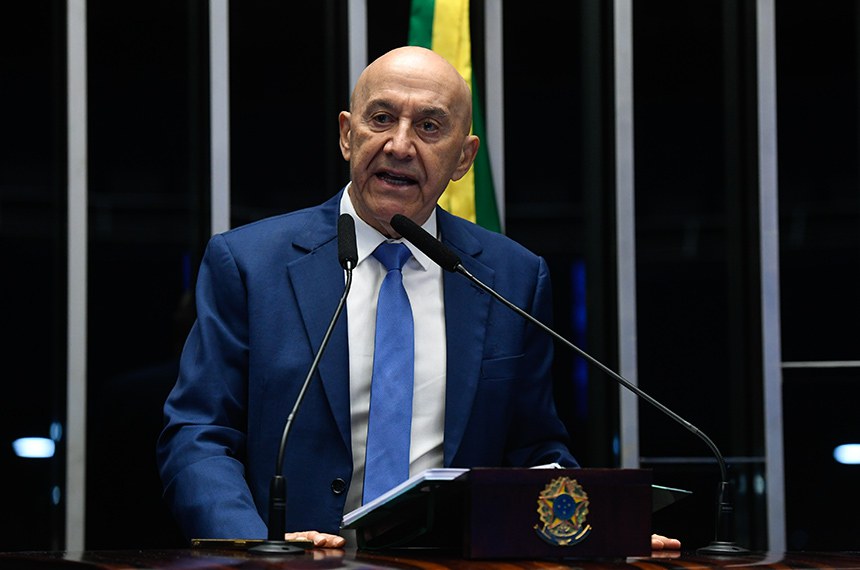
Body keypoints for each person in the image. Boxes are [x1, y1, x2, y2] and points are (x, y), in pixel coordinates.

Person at [156, 45, 680, 552]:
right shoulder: (250, 264)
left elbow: (531, 449)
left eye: (429, 127)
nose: (400, 145)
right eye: (382, 119)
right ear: (347, 135)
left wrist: (596, 527)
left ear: (463, 158)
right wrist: (255, 545)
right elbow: (199, 434)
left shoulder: (512, 278)